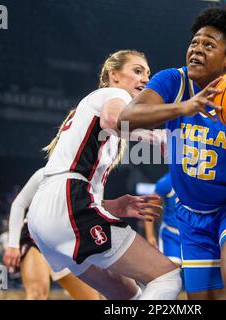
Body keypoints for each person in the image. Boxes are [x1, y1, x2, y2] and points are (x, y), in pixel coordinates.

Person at [118, 6, 226, 300]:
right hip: (193, 213)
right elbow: (126, 119)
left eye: (209, 45)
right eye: (194, 42)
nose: (197, 49)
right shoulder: (173, 82)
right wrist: (186, 106)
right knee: (203, 299)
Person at [27, 50, 182, 300]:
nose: (145, 79)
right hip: (65, 203)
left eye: (148, 74)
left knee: (127, 295)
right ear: (114, 75)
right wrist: (158, 138)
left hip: (46, 214)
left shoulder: (93, 112)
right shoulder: (113, 94)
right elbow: (113, 120)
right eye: (137, 70)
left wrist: (115, 206)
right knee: (166, 276)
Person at [3, 168, 101, 300]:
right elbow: (19, 203)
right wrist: (13, 244)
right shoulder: (46, 173)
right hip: (36, 239)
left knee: (91, 298)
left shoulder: (93, 181)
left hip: (66, 244)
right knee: (36, 294)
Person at [144, 172, 181, 266]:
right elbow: (150, 208)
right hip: (171, 235)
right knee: (173, 272)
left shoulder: (201, 180)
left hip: (194, 235)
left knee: (193, 275)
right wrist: (150, 236)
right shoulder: (168, 181)